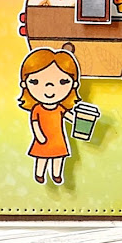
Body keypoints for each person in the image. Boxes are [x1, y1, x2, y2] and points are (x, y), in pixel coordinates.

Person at [18, 47, 81, 185]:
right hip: (43, 139)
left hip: (58, 139)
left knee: (59, 157)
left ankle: (56, 174)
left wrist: (79, 121)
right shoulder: (37, 109)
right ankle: (39, 173)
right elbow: (35, 123)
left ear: (74, 84)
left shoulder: (60, 108)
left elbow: (68, 116)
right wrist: (39, 135)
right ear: (24, 83)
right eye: (35, 82)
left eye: (63, 82)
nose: (49, 88)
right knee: (42, 157)